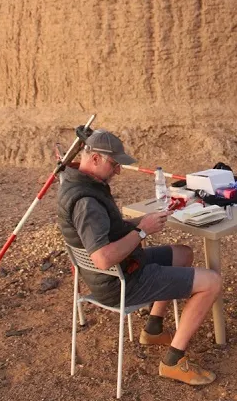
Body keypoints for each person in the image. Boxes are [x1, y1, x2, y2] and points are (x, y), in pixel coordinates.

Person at [57, 129, 222, 386]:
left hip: (123, 269)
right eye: (115, 164)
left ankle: (153, 329)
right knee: (211, 282)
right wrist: (142, 229)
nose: (118, 171)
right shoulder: (86, 201)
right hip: (120, 281)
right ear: (96, 159)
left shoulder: (81, 184)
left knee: (183, 254)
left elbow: (107, 231)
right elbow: (102, 259)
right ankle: (173, 362)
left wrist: (141, 223)